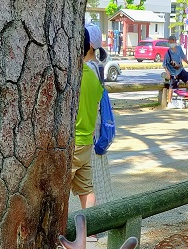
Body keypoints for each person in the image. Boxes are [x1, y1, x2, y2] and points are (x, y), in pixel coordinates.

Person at [70, 23, 104, 228]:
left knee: (56, 190)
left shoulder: (72, 76)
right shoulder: (93, 75)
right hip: (86, 142)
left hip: (71, 144)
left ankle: (58, 236)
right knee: (86, 190)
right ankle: (90, 236)